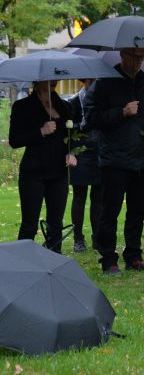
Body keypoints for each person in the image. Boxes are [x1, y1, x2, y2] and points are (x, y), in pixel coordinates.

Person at [84, 47, 144, 274]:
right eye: (133, 57)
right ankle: (108, 259)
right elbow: (90, 119)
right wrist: (121, 112)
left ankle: (134, 256)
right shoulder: (104, 84)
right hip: (114, 158)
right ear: (122, 55)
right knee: (109, 211)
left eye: (141, 57)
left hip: (142, 158)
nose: (137, 62)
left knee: (137, 211)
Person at [9, 81, 77, 253]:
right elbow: (14, 140)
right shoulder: (22, 106)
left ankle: (54, 260)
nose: (52, 82)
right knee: (29, 224)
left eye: (54, 78)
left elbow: (72, 136)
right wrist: (40, 132)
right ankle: (24, 263)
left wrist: (72, 152)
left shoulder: (64, 106)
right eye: (47, 78)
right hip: (33, 173)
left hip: (59, 173)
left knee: (56, 224)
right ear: (37, 81)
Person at [68, 78, 102, 253]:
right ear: (86, 81)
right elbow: (67, 129)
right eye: (93, 80)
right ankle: (78, 239)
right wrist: (71, 151)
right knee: (80, 196)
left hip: (99, 152)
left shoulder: (102, 100)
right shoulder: (75, 101)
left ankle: (97, 238)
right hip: (80, 153)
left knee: (98, 198)